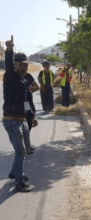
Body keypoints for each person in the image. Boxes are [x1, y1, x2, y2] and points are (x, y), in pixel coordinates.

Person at [3, 35, 32, 192]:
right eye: (21, 65)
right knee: (20, 150)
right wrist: (9, 50)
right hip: (11, 120)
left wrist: (31, 116)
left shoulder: (23, 80)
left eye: (25, 65)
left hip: (22, 120)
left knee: (26, 148)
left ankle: (15, 172)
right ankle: (19, 183)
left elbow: (26, 100)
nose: (23, 68)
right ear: (15, 65)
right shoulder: (11, 77)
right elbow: (8, 66)